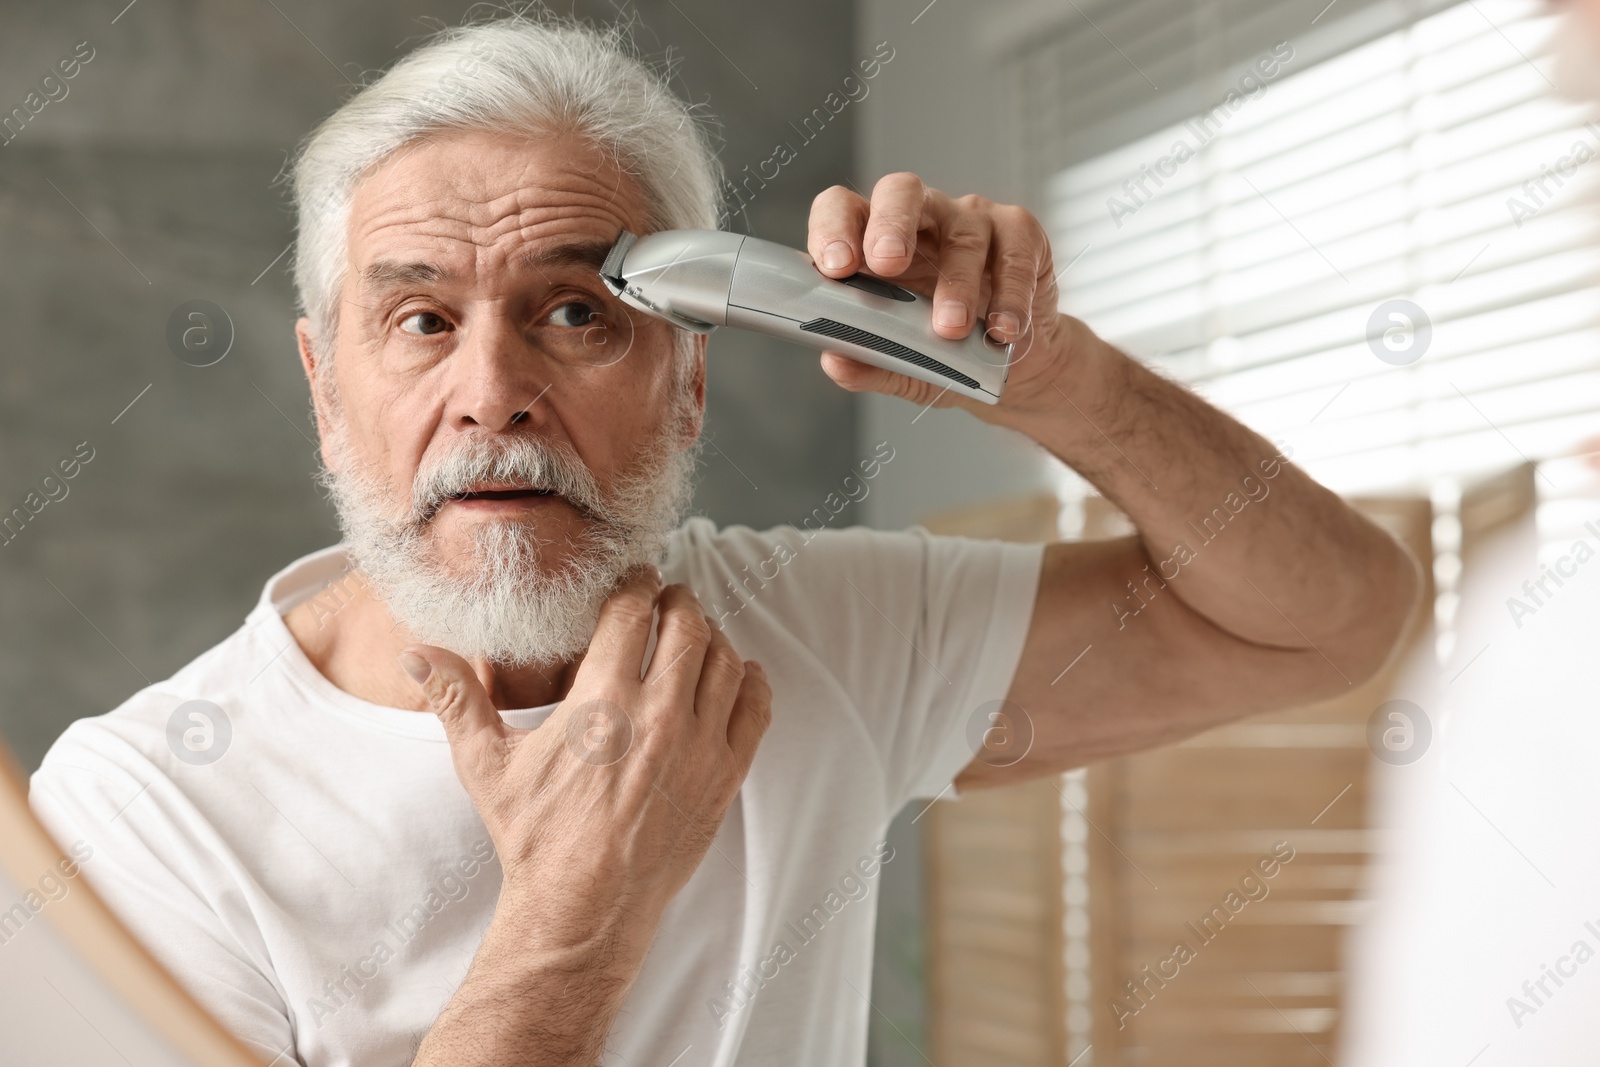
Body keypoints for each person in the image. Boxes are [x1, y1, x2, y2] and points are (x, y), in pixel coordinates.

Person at [27, 12, 1418, 1067]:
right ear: (328, 392)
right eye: (421, 319)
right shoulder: (144, 813)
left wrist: (1064, 383)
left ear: (691, 379)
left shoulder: (820, 633)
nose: (495, 389)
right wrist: (578, 914)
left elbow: (1328, 616)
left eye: (579, 313)